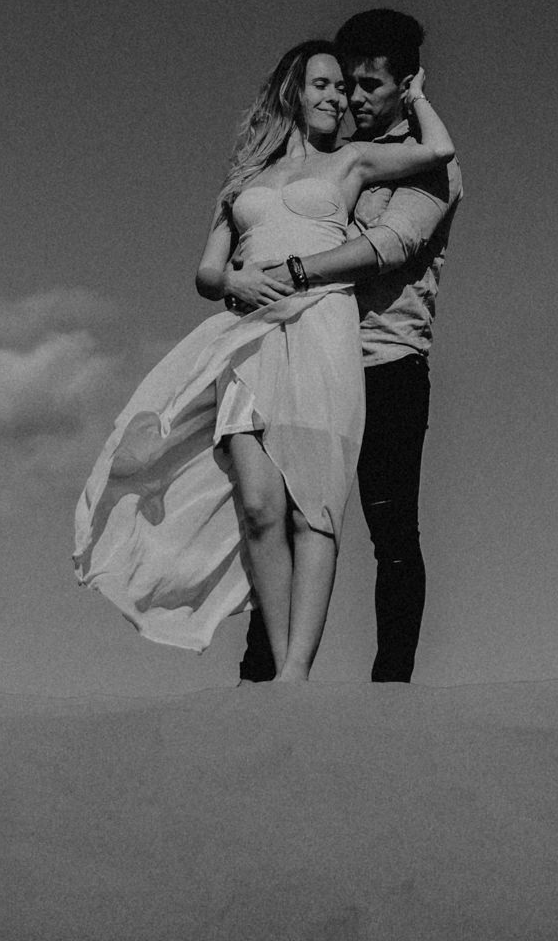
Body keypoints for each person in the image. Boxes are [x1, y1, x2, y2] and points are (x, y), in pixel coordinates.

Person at [73, 38, 455, 680]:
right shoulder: (245, 178)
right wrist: (235, 285)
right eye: (324, 84)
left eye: (344, 86)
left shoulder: (356, 161)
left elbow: (439, 153)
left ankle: (293, 678)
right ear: (292, 92)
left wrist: (416, 98)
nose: (337, 96)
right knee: (258, 506)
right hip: (248, 335)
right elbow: (207, 271)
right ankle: (280, 663)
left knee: (315, 505)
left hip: (322, 331)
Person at [233, 8, 455, 684]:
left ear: (406, 83)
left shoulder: (424, 172)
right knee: (282, 514)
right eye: (348, 84)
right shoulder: (329, 163)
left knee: (391, 535)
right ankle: (261, 676)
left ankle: (390, 699)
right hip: (311, 359)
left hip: (385, 363)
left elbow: (389, 246)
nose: (355, 98)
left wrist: (297, 271)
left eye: (371, 85)